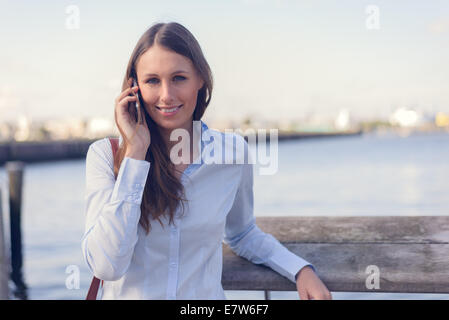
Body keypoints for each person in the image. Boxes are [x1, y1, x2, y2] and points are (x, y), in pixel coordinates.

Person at [81, 21, 331, 300]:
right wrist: (136, 155)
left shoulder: (233, 153)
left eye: (179, 78)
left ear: (200, 79)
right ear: (134, 87)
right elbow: (107, 266)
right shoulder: (105, 156)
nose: (166, 95)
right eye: (152, 80)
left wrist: (299, 270)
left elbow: (242, 233)